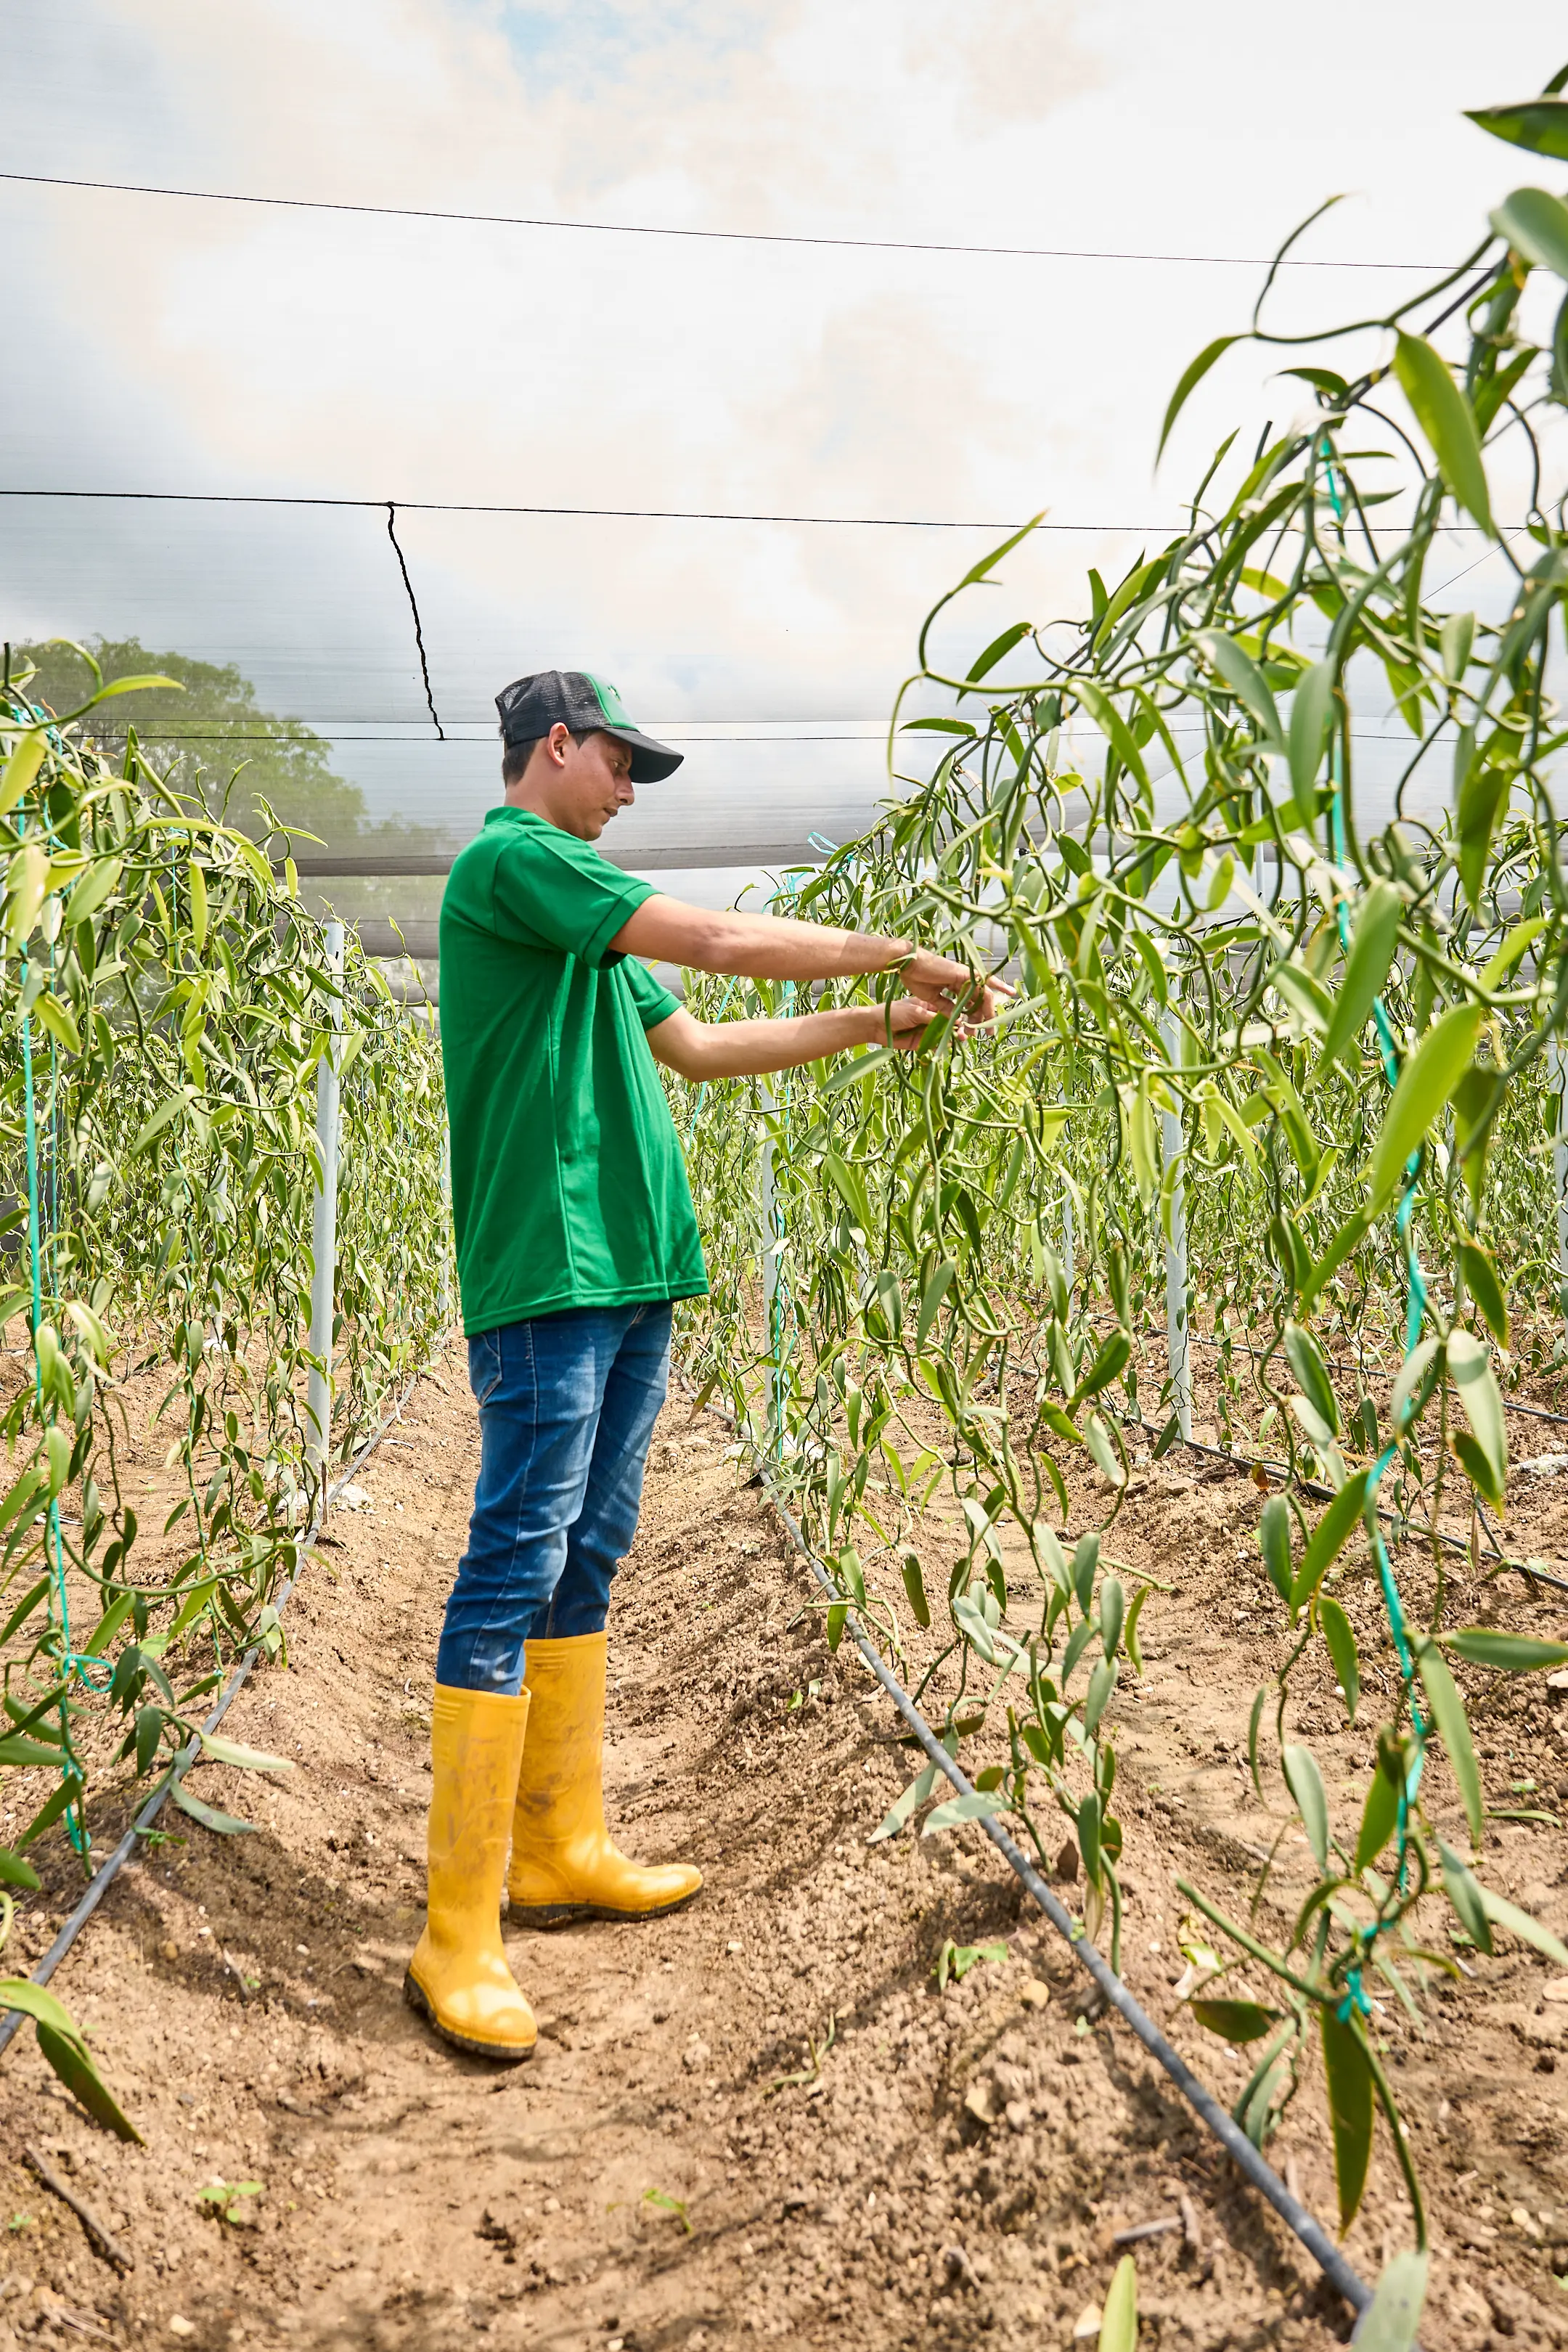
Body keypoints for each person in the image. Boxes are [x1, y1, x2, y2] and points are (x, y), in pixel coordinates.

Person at [404, 668, 1005, 2061]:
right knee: (514, 1555)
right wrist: (891, 952)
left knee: (590, 1547)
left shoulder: (593, 936)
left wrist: (878, 1025)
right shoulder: (517, 865)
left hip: (631, 1273)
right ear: (554, 746)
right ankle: (457, 1931)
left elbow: (711, 1047)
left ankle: (561, 1848)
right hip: (551, 1274)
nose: (629, 792)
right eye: (621, 764)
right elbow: (729, 943)